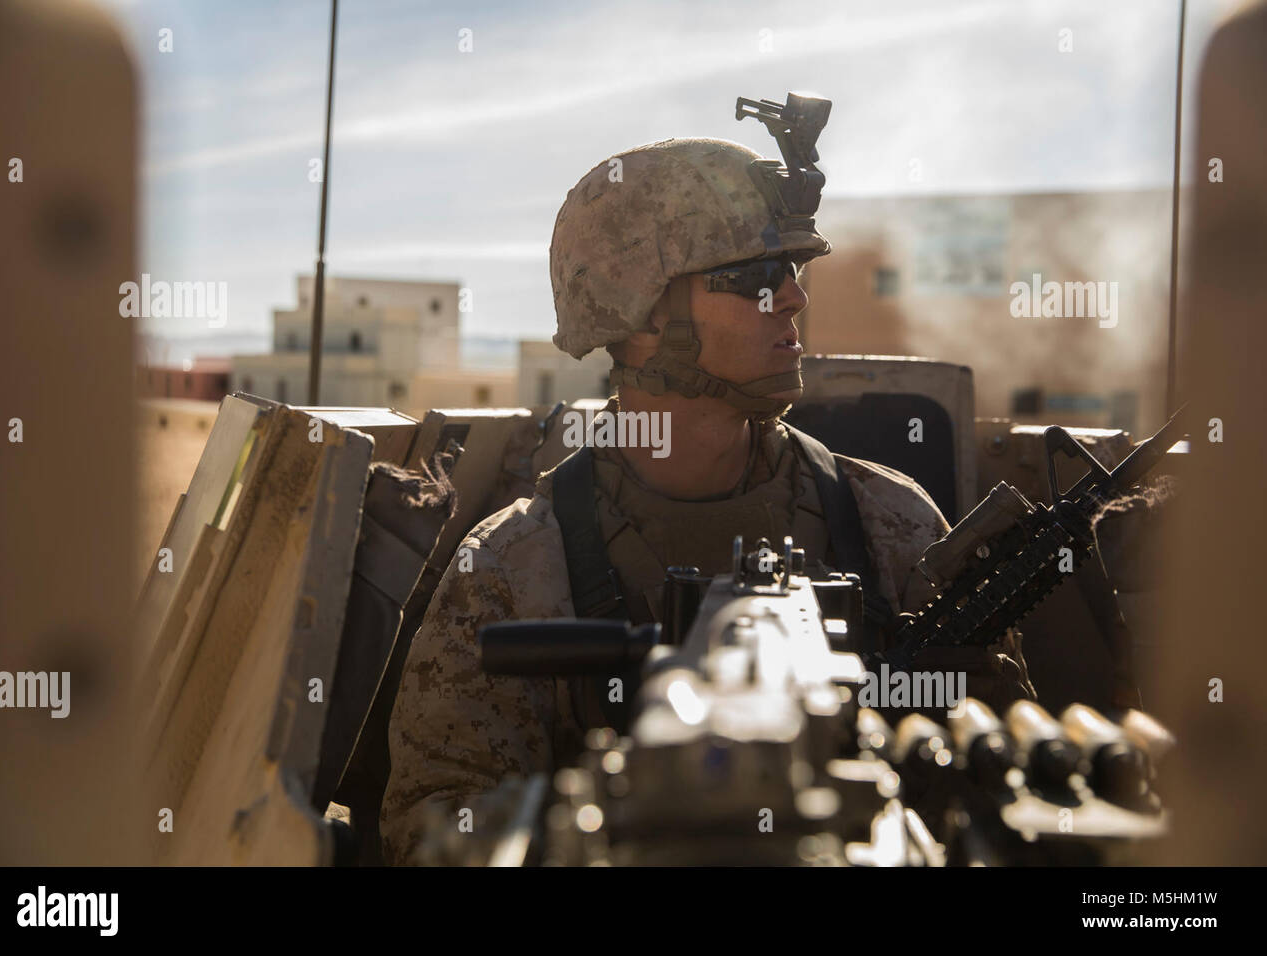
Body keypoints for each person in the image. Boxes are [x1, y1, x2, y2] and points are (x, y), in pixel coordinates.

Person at [379, 117, 1034, 865]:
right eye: (756, 278)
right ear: (644, 316)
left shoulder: (893, 524)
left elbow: (1018, 787)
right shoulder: (515, 568)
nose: (791, 300)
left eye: (794, 272)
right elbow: (431, 829)